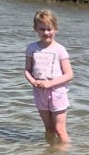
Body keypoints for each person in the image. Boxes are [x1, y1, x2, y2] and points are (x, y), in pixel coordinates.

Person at [24, 9, 74, 143]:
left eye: (49, 29)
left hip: (57, 92)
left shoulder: (60, 49)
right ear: (35, 29)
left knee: (60, 129)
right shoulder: (31, 48)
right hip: (40, 92)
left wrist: (50, 84)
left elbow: (69, 74)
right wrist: (33, 81)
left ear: (55, 29)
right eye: (42, 29)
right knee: (49, 129)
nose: (46, 33)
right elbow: (27, 70)